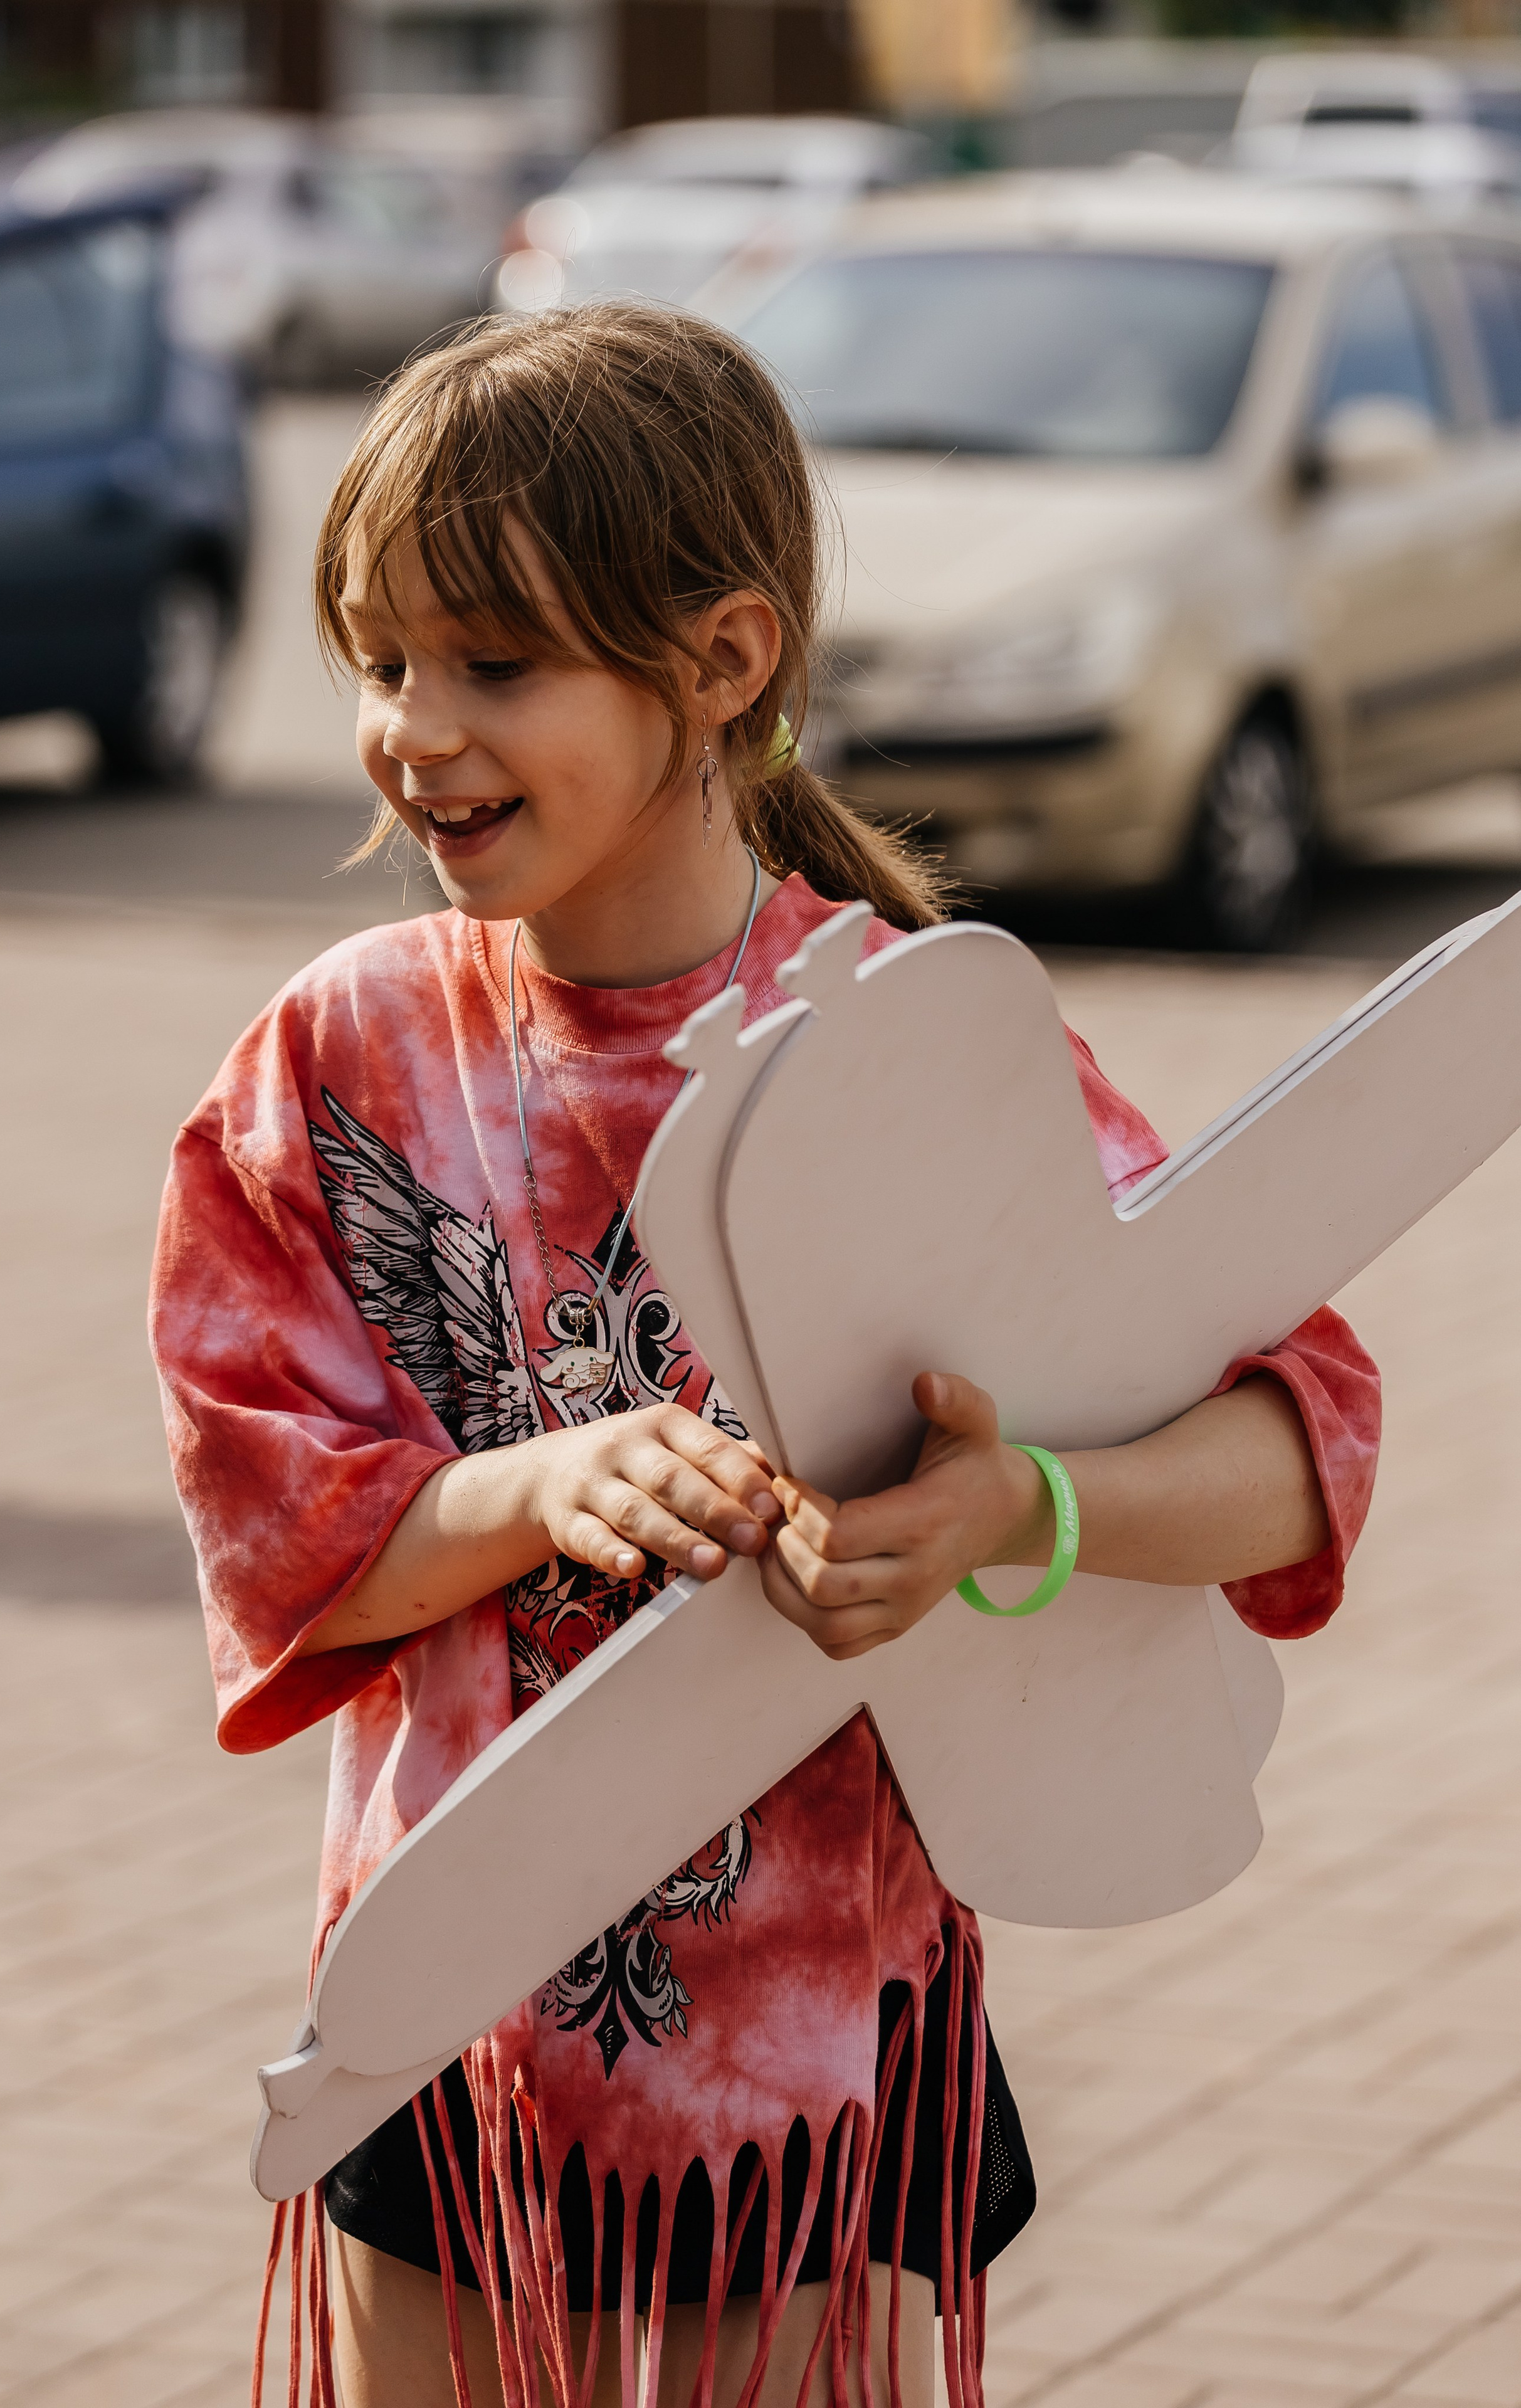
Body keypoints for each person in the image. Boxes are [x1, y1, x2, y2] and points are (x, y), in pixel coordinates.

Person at [150, 305, 1381, 2408]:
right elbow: (277, 1533)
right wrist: (528, 1489)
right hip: (452, 2012)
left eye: (497, 664)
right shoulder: (330, 1060)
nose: (414, 730)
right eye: (383, 661)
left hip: (823, 2061)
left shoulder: (918, 1044)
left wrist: (1022, 1505)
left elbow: (1306, 1434)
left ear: (720, 662)